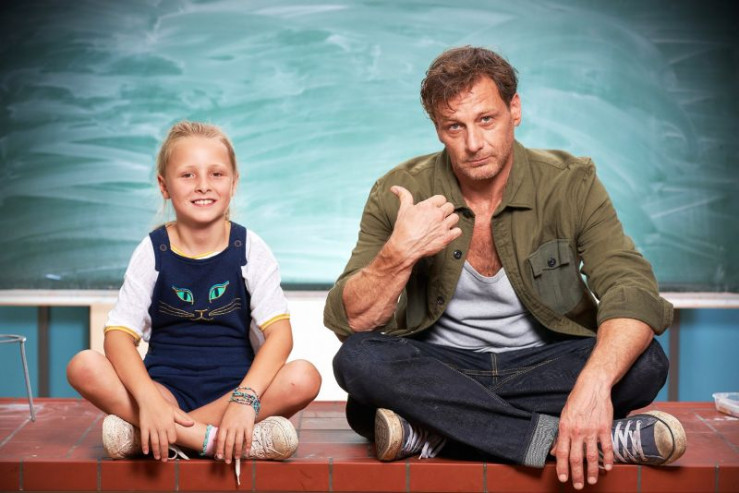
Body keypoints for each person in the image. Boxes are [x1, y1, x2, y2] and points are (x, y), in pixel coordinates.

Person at [324, 46, 686, 490]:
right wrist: (398, 254)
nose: (473, 143)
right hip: (443, 367)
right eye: (454, 126)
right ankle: (571, 439)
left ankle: (436, 432)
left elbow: (630, 288)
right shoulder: (401, 191)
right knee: (359, 360)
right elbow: (351, 322)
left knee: (645, 363)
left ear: (515, 109)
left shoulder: (570, 182)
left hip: (545, 365)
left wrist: (592, 387)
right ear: (437, 129)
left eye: (486, 120)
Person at [68, 121, 321, 481]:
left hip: (235, 393)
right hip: (164, 393)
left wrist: (244, 400)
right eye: (188, 175)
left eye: (216, 174)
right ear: (164, 186)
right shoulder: (152, 250)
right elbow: (118, 336)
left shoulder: (250, 248)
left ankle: (152, 434)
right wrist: (150, 401)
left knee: (304, 377)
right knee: (84, 365)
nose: (203, 185)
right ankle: (215, 441)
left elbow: (280, 336)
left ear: (233, 183)